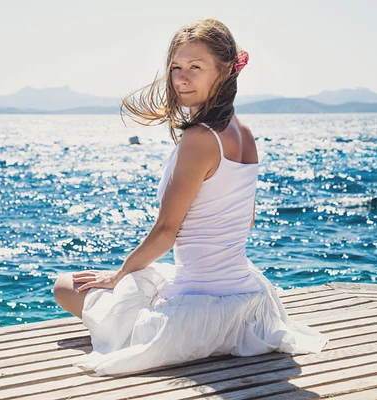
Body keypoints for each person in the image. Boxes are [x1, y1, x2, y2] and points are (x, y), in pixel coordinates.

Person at [53, 18, 329, 376]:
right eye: (176, 67)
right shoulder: (243, 133)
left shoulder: (200, 138)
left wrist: (117, 276)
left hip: (195, 314)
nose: (181, 78)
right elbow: (247, 219)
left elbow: (168, 231)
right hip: (249, 301)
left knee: (64, 286)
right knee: (146, 277)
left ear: (226, 70)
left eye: (195, 68)